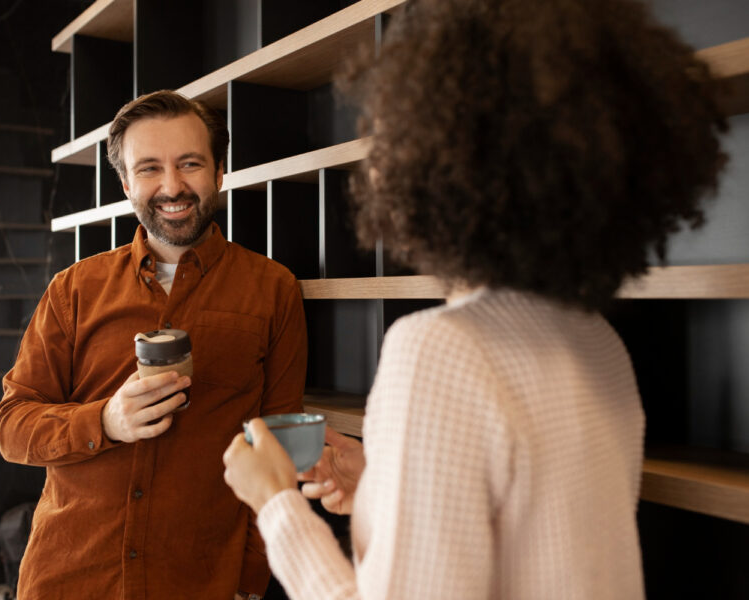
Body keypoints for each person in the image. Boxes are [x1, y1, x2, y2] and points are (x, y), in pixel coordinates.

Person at [222, 0, 727, 598]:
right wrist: (384, 488)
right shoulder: (597, 341)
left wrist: (275, 503)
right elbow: (536, 547)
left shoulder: (438, 349)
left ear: (436, 161)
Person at [0, 90, 308, 600]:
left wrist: (250, 579)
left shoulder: (274, 289)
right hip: (70, 578)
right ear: (125, 183)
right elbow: (11, 427)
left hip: (202, 582)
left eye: (190, 164)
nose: (172, 186)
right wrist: (106, 422)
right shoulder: (72, 289)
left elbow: (281, 446)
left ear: (220, 170)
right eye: (149, 169)